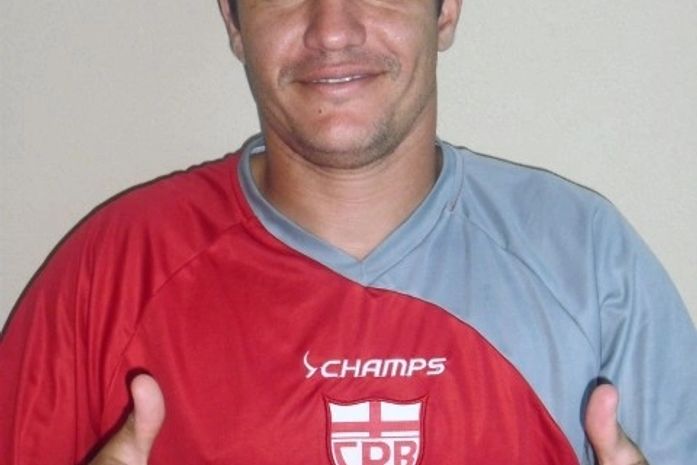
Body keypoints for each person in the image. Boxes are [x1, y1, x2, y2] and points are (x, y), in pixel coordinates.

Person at [1, 0, 695, 463]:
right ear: (234, 20)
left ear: (446, 8)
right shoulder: (109, 271)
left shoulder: (588, 260)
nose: (332, 29)